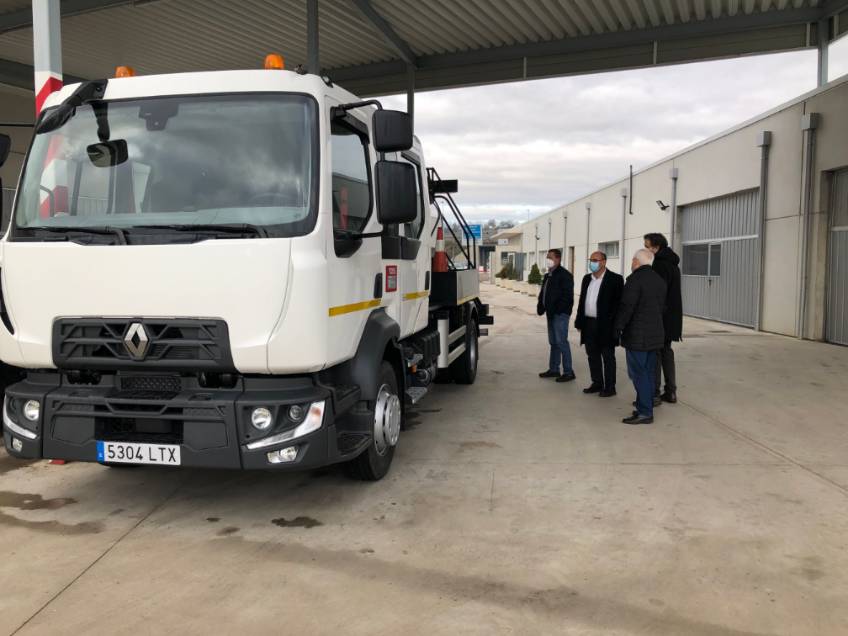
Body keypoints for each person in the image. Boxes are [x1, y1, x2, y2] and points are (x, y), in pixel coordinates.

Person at [613, 249, 666, 424]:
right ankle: (647, 405)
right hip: (655, 335)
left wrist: (618, 327)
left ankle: (645, 412)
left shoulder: (635, 280)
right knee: (649, 372)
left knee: (638, 373)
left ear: (636, 261)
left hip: (638, 336)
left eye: (632, 260)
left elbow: (626, 307)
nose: (631, 263)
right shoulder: (659, 280)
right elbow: (661, 308)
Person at [574, 251, 624, 397]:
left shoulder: (615, 279)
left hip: (606, 325)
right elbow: (582, 301)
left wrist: (615, 325)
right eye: (591, 260)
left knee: (608, 356)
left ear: (604, 262)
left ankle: (610, 387)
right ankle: (597, 383)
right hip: (588, 323)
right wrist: (579, 321)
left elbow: (619, 305)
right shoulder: (586, 279)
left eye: (595, 260)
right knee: (592, 355)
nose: (592, 263)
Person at [644, 233, 683, 403]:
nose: (646, 250)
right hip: (672, 316)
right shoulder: (673, 263)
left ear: (656, 246)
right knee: (666, 352)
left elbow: (657, 293)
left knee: (655, 354)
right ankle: (670, 391)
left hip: (660, 316)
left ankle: (654, 394)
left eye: (647, 246)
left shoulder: (659, 264)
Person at [537, 249, 575, 383]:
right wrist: (541, 305)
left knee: (561, 342)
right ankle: (554, 369)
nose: (548, 259)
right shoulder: (548, 275)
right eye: (547, 257)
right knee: (553, 342)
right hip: (551, 313)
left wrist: (558, 310)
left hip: (560, 314)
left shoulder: (565, 275)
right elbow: (544, 292)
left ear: (558, 259)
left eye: (550, 257)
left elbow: (567, 297)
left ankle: (568, 372)